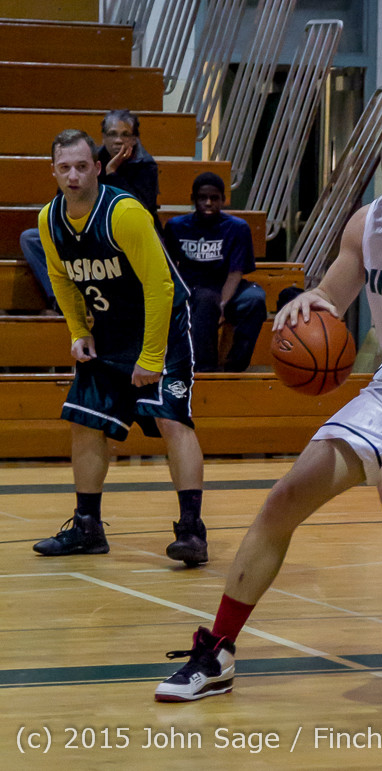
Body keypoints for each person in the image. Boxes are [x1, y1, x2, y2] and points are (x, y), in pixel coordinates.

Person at [154, 129, 382, 704]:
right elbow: (333, 292)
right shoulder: (365, 224)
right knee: (283, 500)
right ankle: (218, 650)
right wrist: (308, 299)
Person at [31, 129, 208, 566]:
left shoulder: (124, 213)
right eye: (64, 168)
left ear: (97, 166)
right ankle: (87, 527)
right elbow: (61, 278)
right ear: (53, 170)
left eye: (81, 166)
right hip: (107, 331)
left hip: (161, 325)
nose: (73, 176)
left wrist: (150, 357)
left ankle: (192, 532)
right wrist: (77, 331)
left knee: (172, 421)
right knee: (85, 422)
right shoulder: (48, 220)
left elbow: (160, 286)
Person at [20, 109, 160, 313]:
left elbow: (140, 211)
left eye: (125, 134)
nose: (118, 140)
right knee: (31, 238)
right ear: (103, 137)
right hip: (82, 228)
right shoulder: (88, 159)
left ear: (135, 138)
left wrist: (112, 173)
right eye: (112, 134)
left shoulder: (146, 165)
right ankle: (63, 300)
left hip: (119, 235)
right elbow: (63, 199)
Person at [163, 173, 267, 372]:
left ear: (223, 200)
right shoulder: (176, 226)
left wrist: (223, 303)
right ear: (193, 199)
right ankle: (204, 369)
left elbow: (236, 272)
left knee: (255, 299)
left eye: (214, 198)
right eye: (202, 198)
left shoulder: (237, 228)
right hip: (192, 285)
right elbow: (170, 269)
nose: (208, 202)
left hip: (226, 285)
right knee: (205, 299)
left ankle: (234, 365)